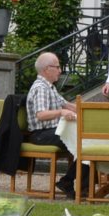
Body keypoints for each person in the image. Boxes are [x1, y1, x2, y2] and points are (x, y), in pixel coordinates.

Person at [24, 50, 79, 199]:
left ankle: (74, 183)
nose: (60, 70)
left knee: (84, 141)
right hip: (41, 135)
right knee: (82, 143)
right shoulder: (40, 88)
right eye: (57, 67)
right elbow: (41, 114)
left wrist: (88, 109)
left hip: (51, 132)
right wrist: (60, 112)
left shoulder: (50, 87)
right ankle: (73, 183)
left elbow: (66, 104)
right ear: (47, 69)